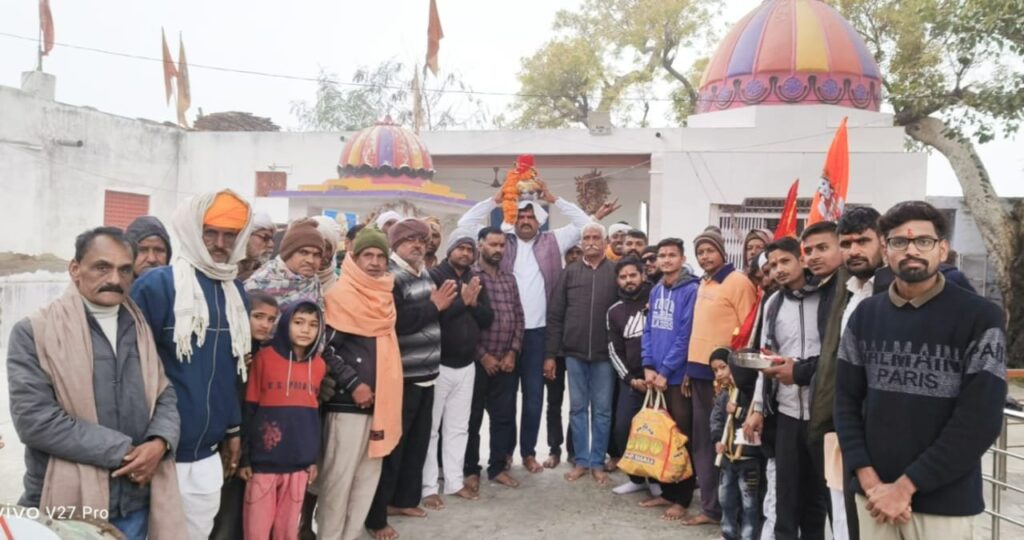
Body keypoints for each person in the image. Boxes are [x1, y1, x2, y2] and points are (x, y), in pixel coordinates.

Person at [835, 201, 1006, 539]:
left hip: (945, 504)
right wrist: (870, 482)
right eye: (899, 241)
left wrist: (905, 487)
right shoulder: (865, 316)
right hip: (873, 499)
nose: (911, 250)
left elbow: (979, 419)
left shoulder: (980, 318)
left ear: (942, 249)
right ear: (885, 250)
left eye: (923, 241)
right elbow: (845, 403)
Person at [8, 227, 186, 539]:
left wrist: (160, 442)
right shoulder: (34, 330)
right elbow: (35, 420)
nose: (115, 279)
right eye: (102, 267)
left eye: (124, 270)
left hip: (136, 502)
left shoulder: (139, 326)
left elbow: (164, 393)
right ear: (75, 269)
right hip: (67, 510)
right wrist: (128, 452)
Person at [457, 179, 616, 474]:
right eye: (521, 216)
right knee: (504, 402)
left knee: (534, 399)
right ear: (513, 219)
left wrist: (554, 199)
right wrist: (495, 200)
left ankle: (528, 452)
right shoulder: (501, 243)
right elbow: (465, 225)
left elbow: (585, 224)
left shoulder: (553, 241)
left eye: (531, 216)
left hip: (539, 335)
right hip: (502, 336)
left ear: (539, 220)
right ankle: (504, 453)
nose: (526, 220)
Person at [131, 190, 254, 538]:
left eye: (229, 234)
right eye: (210, 233)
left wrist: (233, 429)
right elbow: (131, 370)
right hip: (159, 451)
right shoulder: (158, 286)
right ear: (190, 231)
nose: (220, 243)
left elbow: (232, 372)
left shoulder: (236, 294)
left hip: (208, 454)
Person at [364, 218, 457, 540]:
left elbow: (434, 313)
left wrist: (445, 305)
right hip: (402, 376)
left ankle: (403, 501)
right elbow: (396, 321)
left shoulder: (423, 273)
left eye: (422, 240)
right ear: (396, 244)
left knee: (417, 444)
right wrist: (434, 306)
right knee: (393, 448)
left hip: (428, 373)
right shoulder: (390, 276)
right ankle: (377, 517)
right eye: (410, 240)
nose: (418, 245)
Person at [316, 227, 403, 540]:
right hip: (347, 405)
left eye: (381, 256)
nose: (375, 262)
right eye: (368, 255)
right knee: (338, 483)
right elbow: (325, 349)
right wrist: (353, 383)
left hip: (379, 406)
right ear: (353, 257)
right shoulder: (340, 296)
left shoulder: (384, 296)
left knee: (365, 483)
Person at [809, 207, 884, 540]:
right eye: (847, 243)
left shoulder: (892, 290)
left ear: (883, 242)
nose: (854, 250)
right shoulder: (847, 288)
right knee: (841, 515)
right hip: (840, 421)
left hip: (880, 430)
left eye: (863, 241)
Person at [753, 236, 829, 540]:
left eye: (785, 261)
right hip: (786, 414)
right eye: (773, 265)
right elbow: (765, 359)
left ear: (802, 259)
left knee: (817, 501)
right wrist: (757, 408)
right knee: (785, 499)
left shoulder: (828, 297)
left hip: (822, 414)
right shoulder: (773, 303)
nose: (779, 270)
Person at [686, 226, 757, 526]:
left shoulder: (738, 281)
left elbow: (748, 329)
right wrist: (689, 368)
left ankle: (729, 513)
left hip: (724, 376)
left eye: (709, 250)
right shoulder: (703, 282)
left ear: (722, 252)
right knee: (704, 441)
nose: (705, 257)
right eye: (700, 252)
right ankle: (710, 507)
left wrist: (736, 375)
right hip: (698, 371)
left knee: (725, 442)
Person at [239, 300, 326, 540]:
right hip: (263, 465)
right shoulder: (263, 359)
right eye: (298, 322)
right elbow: (250, 410)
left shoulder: (319, 366)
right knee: (256, 530)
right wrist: (245, 458)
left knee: (287, 530)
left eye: (313, 325)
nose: (306, 330)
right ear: (286, 323)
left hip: (299, 465)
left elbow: (313, 417)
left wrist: (312, 459)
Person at [422, 233, 494, 508]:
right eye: (460, 248)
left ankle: (454, 482)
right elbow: (432, 316)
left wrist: (473, 303)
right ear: (450, 250)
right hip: (438, 364)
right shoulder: (434, 276)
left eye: (469, 249)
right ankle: (429, 486)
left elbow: (488, 318)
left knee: (458, 428)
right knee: (431, 430)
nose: (465, 253)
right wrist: (461, 302)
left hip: (466, 365)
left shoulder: (475, 280)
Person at [545, 223, 619, 485]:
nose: (591, 242)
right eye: (586, 237)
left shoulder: (615, 271)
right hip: (574, 354)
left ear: (605, 242)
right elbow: (555, 315)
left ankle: (597, 462)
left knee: (602, 411)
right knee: (577, 409)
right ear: (580, 243)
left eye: (596, 237)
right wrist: (550, 354)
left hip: (605, 356)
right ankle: (581, 461)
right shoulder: (570, 272)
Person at [212, 292, 280, 540]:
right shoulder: (230, 350)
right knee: (223, 511)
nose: (265, 325)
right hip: (226, 439)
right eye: (258, 317)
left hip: (249, 442)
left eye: (271, 319)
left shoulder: (262, 352)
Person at [640, 237, 700, 518]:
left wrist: (665, 371)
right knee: (661, 436)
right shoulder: (655, 291)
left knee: (680, 437)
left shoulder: (691, 290)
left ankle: (682, 499)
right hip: (656, 376)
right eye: (661, 255)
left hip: (676, 378)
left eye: (671, 255)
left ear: (682, 259)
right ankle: (666, 493)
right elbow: (648, 330)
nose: (665, 260)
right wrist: (648, 365)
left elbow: (685, 335)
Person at [464, 227, 525, 492]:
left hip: (506, 362)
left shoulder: (509, 279)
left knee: (503, 417)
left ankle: (498, 468)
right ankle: (470, 470)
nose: (498, 249)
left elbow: (519, 317)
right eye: (493, 244)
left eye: (502, 245)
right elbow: (465, 322)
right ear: (480, 245)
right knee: (473, 419)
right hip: (478, 363)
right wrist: (483, 356)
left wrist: (512, 352)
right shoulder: (470, 277)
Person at [607, 257, 658, 496]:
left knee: (657, 432)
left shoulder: (657, 300)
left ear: (643, 275)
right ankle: (637, 479)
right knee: (622, 428)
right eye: (623, 277)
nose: (628, 280)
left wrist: (658, 375)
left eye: (633, 275)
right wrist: (630, 379)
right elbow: (614, 350)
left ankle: (658, 480)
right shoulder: (614, 311)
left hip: (659, 381)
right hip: (631, 381)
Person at [710, 348, 762, 540]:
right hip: (728, 457)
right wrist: (717, 439)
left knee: (749, 503)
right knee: (726, 499)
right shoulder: (724, 394)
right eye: (715, 370)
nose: (719, 374)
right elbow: (716, 419)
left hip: (748, 458)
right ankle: (728, 533)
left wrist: (738, 411)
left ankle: (749, 536)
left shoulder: (752, 393)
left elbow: (756, 417)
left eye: (723, 367)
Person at [544, 244, 583, 468]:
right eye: (571, 253)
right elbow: (553, 317)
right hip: (557, 352)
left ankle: (574, 450)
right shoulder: (557, 278)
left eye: (578, 252)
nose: (575, 256)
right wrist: (549, 355)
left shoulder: (588, 278)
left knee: (578, 404)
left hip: (579, 350)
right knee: (554, 402)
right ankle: (554, 449)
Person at [245, 218, 325, 309]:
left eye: (317, 255)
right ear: (288, 253)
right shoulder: (260, 282)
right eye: (304, 252)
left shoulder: (314, 283)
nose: (310, 260)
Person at [238, 211, 276, 282]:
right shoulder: (224, 268)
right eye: (265, 238)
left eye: (272, 239)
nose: (271, 244)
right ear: (246, 236)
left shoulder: (266, 275)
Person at [311, 215, 344, 292]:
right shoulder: (289, 283)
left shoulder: (341, 285)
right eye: (317, 247)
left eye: (327, 248)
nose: (323, 254)